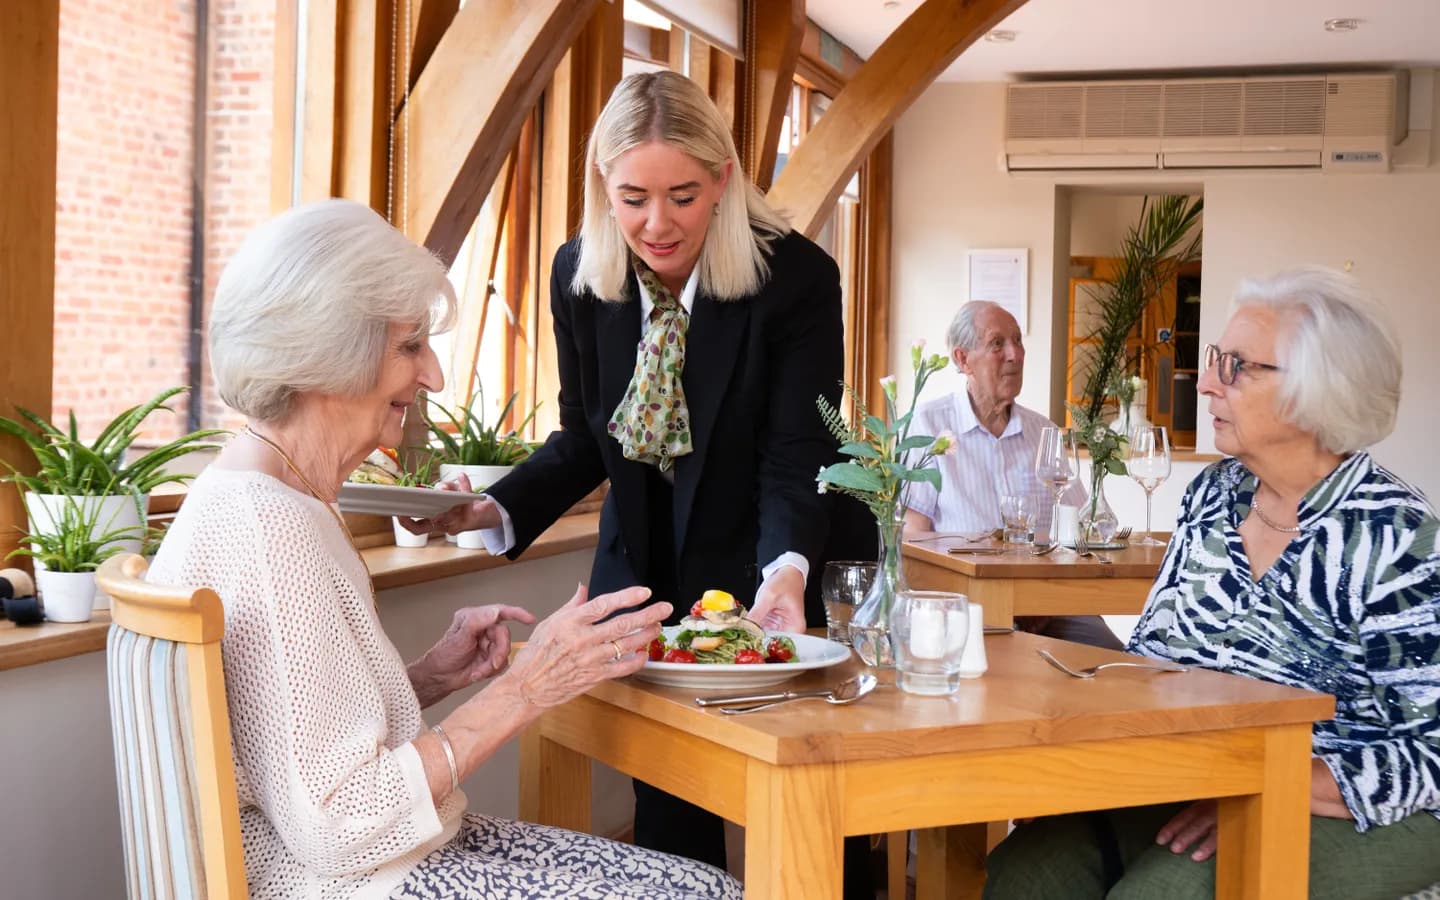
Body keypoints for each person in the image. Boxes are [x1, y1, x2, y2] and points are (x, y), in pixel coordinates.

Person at [147, 199, 741, 900]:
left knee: (701, 886)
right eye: (409, 347)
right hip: (350, 882)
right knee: (706, 896)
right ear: (324, 351)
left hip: (368, 863)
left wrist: (429, 677)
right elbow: (342, 826)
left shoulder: (258, 498)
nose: (431, 374)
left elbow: (284, 734)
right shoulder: (272, 529)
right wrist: (526, 687)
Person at [413, 71, 874, 892]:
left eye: (684, 196)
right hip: (648, 574)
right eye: (633, 198)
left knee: (815, 813)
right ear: (604, 186)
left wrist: (786, 576)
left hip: (775, 562)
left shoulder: (795, 278)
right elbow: (589, 436)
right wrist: (495, 504)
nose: (656, 224)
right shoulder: (580, 276)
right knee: (667, 818)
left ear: (724, 181)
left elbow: (796, 453)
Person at [983, 267, 1440, 899]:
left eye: (1237, 366)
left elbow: (1432, 753)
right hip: (1198, 778)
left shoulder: (1397, 535)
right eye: (1214, 360)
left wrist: (1266, 782)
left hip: (1359, 798)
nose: (1205, 383)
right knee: (1025, 875)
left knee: (1163, 895)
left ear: (1317, 393)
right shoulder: (1212, 496)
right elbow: (1152, 661)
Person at [903, 299, 1120, 650]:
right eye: (997, 344)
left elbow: (1081, 526)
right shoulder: (928, 425)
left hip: (1052, 603)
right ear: (962, 359)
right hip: (966, 607)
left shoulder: (1043, 432)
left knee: (1115, 662)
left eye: (1017, 341)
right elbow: (913, 537)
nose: (1014, 354)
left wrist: (1043, 602)